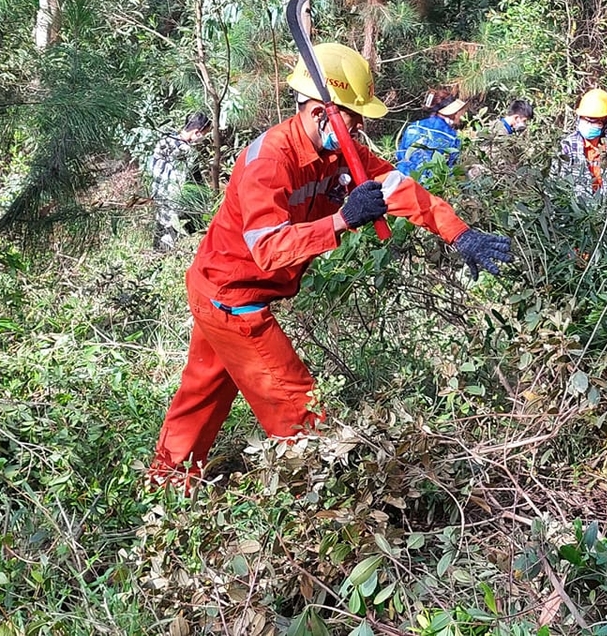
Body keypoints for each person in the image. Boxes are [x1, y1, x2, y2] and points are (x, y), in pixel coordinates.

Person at [149, 43, 513, 489]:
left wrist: (460, 234)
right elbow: (269, 249)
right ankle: (325, 506)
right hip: (233, 298)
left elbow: (400, 189)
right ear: (323, 111)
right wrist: (342, 220)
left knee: (201, 395)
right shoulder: (270, 161)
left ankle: (165, 485)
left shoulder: (342, 155)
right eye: (353, 117)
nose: (359, 128)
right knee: (299, 410)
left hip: (220, 291)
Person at [148, 112, 212, 251]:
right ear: (197, 132)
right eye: (205, 134)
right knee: (175, 237)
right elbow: (196, 185)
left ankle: (156, 256)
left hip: (159, 199)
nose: (203, 138)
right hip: (176, 206)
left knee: (160, 234)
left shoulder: (164, 141)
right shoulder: (189, 153)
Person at [556, 88, 607, 197]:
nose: (588, 123)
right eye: (585, 119)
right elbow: (558, 183)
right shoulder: (568, 146)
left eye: (593, 120)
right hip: (578, 209)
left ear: (605, 122)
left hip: (606, 207)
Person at [395, 90, 468, 179]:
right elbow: (449, 168)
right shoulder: (452, 137)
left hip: (401, 178)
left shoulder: (413, 127)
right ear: (452, 112)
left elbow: (400, 155)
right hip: (426, 186)